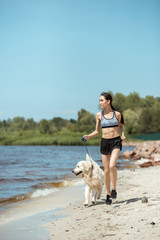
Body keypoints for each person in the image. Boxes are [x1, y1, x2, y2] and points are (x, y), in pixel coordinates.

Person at [83, 92, 126, 205]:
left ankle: (114, 188)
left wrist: (123, 135)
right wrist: (88, 136)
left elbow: (121, 126)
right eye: (99, 100)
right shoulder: (98, 115)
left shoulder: (117, 114)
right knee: (106, 170)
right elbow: (97, 131)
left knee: (112, 166)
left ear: (108, 101)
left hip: (116, 141)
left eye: (101, 100)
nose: (100, 102)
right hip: (104, 143)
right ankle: (108, 194)